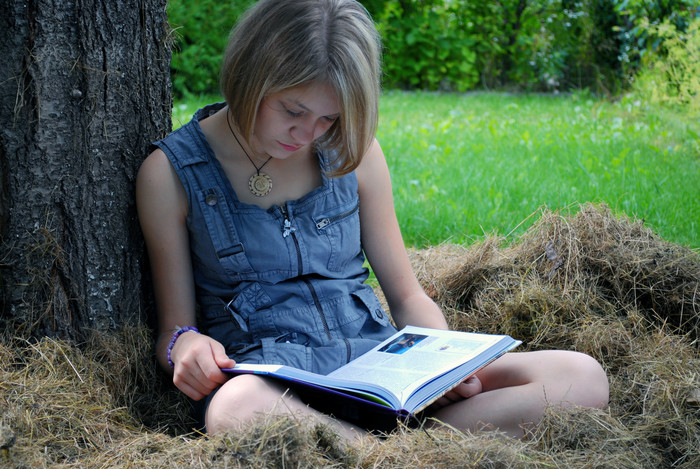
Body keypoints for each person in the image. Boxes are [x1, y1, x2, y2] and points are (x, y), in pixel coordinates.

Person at [136, 0, 609, 441]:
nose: (307, 134)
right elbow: (175, 331)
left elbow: (406, 295)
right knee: (235, 409)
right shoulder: (171, 174)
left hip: (378, 373)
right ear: (249, 75)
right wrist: (186, 346)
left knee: (580, 377)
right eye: (292, 110)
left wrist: (439, 368)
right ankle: (412, 453)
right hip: (280, 393)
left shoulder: (352, 152)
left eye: (329, 119)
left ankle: (374, 454)